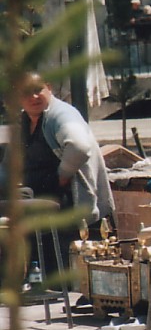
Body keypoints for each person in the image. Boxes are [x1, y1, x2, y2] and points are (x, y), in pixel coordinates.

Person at [0, 73, 114, 271]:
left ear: (49, 88)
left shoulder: (61, 114)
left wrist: (62, 175)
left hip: (71, 210)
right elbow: (8, 166)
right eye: (26, 92)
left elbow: (79, 147)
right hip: (41, 208)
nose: (33, 97)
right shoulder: (25, 122)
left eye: (38, 90)